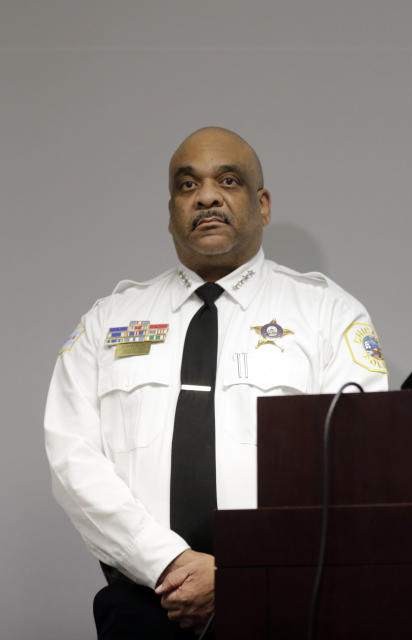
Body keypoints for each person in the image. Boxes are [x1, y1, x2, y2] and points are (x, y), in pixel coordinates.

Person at [44, 127, 388, 638]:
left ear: (263, 204)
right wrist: (169, 565)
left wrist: (239, 573)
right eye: (187, 185)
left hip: (286, 600)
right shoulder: (107, 322)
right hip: (146, 604)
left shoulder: (329, 315)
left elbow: (356, 464)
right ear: (170, 213)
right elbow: (73, 459)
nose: (206, 195)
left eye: (228, 180)